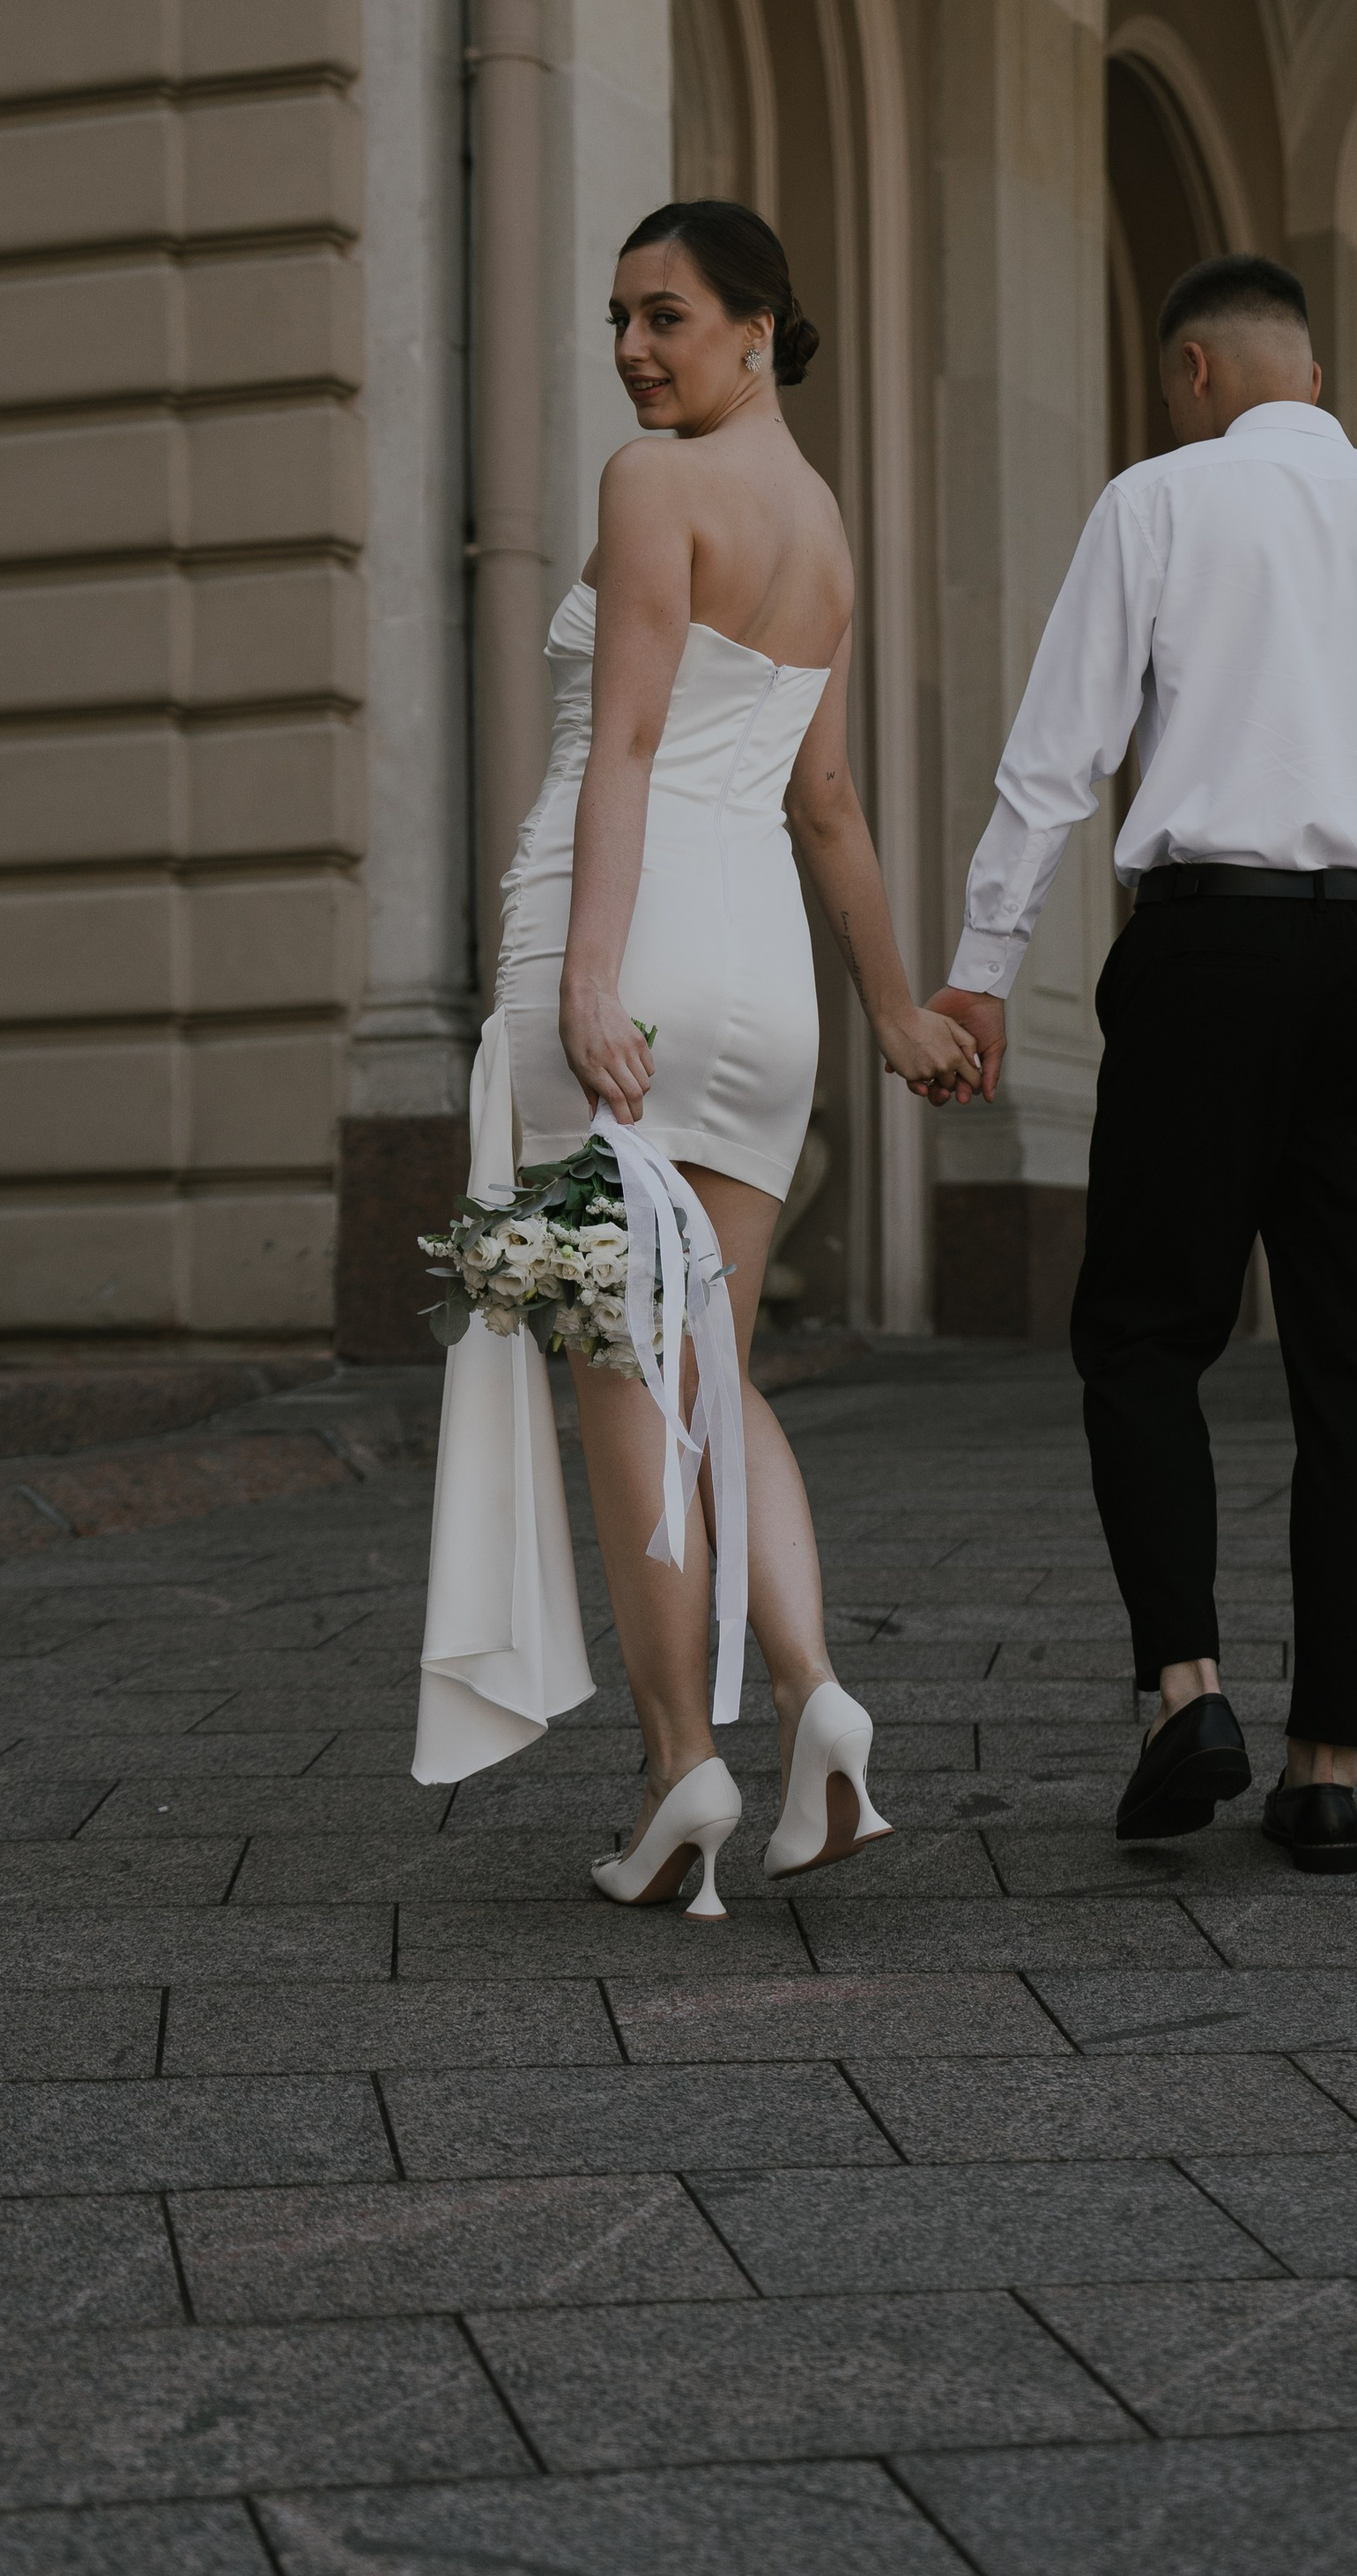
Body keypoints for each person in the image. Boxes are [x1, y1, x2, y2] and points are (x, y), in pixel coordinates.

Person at [925, 255, 1357, 1872]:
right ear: (1316, 380)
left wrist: (983, 970)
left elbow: (1054, 758)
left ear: (1194, 371)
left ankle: (1184, 1686)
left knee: (1142, 1329)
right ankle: (1326, 1767)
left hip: (1208, 949)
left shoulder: (1158, 502)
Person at [415, 200, 979, 1912]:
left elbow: (633, 742)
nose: (630, 351)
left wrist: (587, 986)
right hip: (766, 992)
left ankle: (680, 1773)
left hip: (636, 954)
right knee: (708, 1376)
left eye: (662, 316)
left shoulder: (652, 486)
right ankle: (813, 1697)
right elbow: (825, 803)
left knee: (618, 1383)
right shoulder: (819, 524)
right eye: (614, 320)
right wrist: (889, 1007)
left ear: (756, 323)